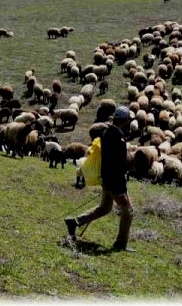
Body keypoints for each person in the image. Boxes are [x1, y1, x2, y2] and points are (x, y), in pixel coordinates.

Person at [65, 105, 134, 252]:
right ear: (126, 120)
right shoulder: (118, 139)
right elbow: (117, 165)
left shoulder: (106, 132)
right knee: (128, 211)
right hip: (115, 182)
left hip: (106, 178)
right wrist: (121, 188)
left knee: (104, 208)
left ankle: (75, 221)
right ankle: (120, 244)